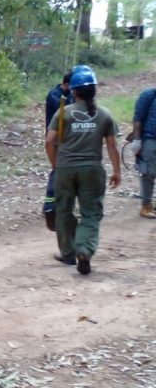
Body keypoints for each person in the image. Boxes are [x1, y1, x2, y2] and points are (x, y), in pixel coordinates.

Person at [45, 65, 120, 275]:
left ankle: (68, 253)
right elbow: (112, 145)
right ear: (94, 90)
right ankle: (84, 249)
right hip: (92, 169)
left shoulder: (63, 113)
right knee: (91, 213)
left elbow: (49, 141)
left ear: (73, 91)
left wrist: (56, 165)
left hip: (66, 168)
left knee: (64, 210)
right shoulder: (105, 115)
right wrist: (117, 171)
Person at [42, 72, 72, 230]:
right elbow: (64, 111)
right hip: (55, 138)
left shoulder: (70, 95)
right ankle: (48, 205)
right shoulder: (54, 95)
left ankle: (64, 204)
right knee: (56, 170)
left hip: (67, 139)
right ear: (66, 84)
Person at [127, 85, 156, 219]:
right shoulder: (148, 95)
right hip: (150, 139)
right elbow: (138, 118)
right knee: (148, 172)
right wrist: (137, 140)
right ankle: (146, 206)